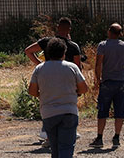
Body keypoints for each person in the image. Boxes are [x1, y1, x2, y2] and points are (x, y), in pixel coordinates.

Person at [28, 38, 88, 158]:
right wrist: (73, 94)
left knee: (55, 149)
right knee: (66, 149)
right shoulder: (71, 67)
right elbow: (84, 88)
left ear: (47, 53)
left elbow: (32, 91)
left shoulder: (40, 69)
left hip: (48, 113)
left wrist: (44, 96)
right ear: (64, 53)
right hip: (69, 111)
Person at [24, 17, 83, 147]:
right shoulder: (73, 46)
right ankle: (68, 132)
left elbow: (28, 51)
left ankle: (48, 133)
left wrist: (40, 64)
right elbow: (78, 66)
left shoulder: (47, 41)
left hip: (48, 77)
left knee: (48, 105)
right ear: (69, 29)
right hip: (67, 80)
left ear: (57, 27)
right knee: (68, 105)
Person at [90, 23, 124, 148]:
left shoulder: (103, 45)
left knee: (102, 110)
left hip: (107, 81)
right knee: (119, 110)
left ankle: (100, 137)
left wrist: (97, 80)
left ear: (109, 32)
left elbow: (98, 64)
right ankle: (116, 137)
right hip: (121, 81)